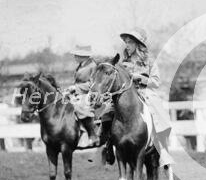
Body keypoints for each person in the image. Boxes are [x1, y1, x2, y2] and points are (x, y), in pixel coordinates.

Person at [102, 28, 175, 167]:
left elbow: (156, 82)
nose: (127, 45)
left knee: (157, 112)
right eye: (126, 42)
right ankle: (108, 146)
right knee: (106, 112)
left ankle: (163, 150)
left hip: (144, 92)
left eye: (130, 42)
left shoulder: (149, 61)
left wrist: (140, 78)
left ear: (138, 44)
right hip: (124, 95)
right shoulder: (122, 63)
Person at [67, 45, 100, 147]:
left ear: (83, 55)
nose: (75, 56)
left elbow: (92, 84)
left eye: (76, 54)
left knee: (78, 106)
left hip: (90, 93)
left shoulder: (92, 66)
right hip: (78, 92)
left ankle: (92, 135)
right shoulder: (81, 65)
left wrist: (76, 88)